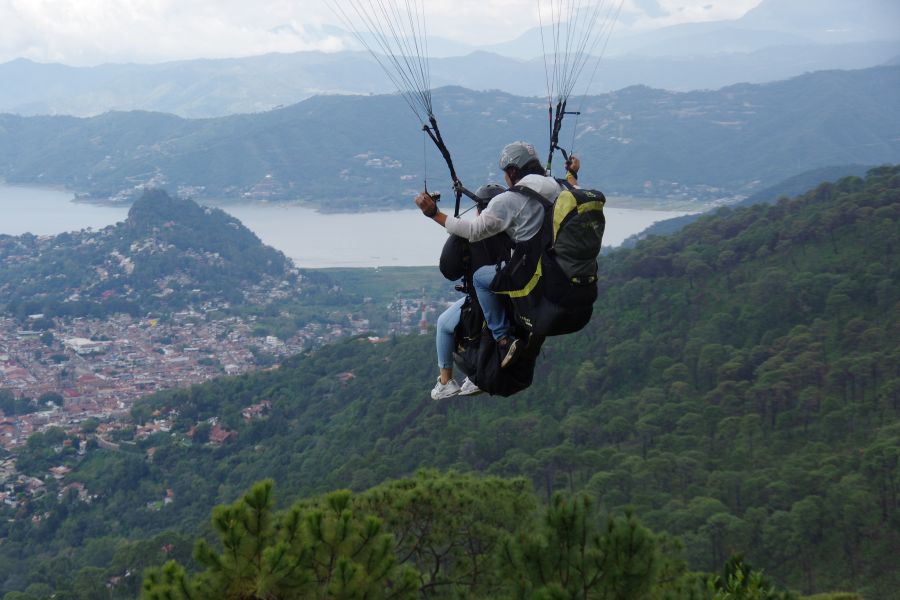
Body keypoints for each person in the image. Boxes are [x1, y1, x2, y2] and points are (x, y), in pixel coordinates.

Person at [415, 141, 580, 384]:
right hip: (554, 271)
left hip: (529, 273)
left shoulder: (511, 200)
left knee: (480, 278)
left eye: (506, 173)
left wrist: (434, 214)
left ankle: (502, 339)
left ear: (513, 171)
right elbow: (574, 187)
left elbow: (471, 231)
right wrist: (572, 172)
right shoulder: (558, 187)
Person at [430, 184, 510, 400]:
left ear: (479, 209)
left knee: (444, 324)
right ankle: (475, 376)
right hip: (511, 296)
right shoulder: (511, 231)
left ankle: (446, 381)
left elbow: (449, 268)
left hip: (479, 300)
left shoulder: (473, 233)